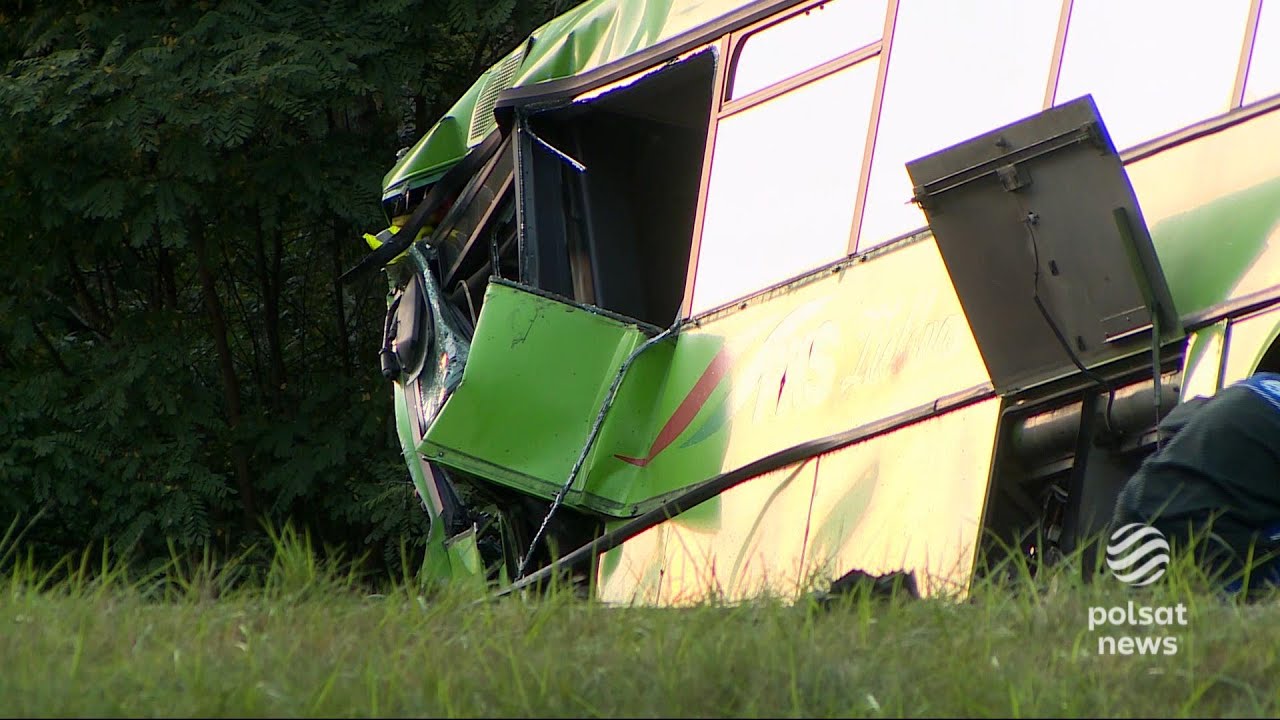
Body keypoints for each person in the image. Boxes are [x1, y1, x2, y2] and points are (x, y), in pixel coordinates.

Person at [1112, 371, 1280, 593]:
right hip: (1208, 532)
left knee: (1150, 619)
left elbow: (1173, 421)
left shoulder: (1259, 383)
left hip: (1135, 509)